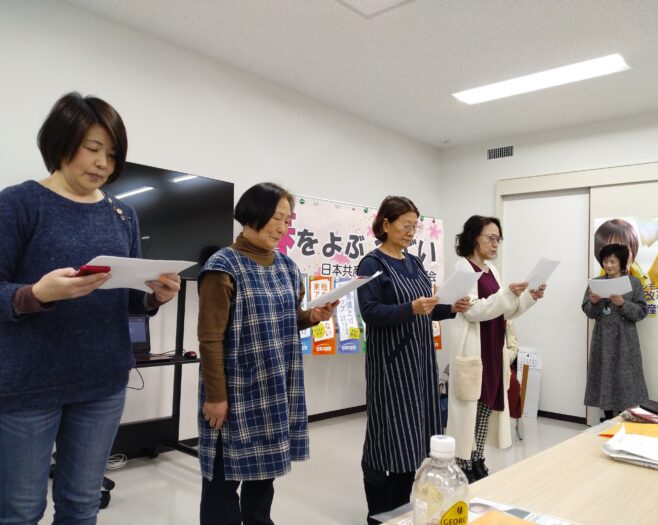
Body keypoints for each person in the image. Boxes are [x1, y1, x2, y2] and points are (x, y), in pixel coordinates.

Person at [0, 92, 181, 524]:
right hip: (29, 384)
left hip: (103, 381)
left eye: (112, 154)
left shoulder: (123, 215)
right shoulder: (17, 204)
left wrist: (154, 296)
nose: (103, 164)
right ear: (60, 143)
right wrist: (37, 294)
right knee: (20, 510)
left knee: (82, 505)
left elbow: (129, 298)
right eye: (93, 148)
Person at [197, 182, 337, 525]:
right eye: (277, 217)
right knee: (222, 482)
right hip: (236, 390)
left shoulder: (288, 267)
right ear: (252, 214)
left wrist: (312, 317)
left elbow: (288, 319)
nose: (282, 227)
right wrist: (216, 396)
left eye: (288, 220)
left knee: (263, 479)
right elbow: (210, 338)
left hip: (276, 386)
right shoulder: (222, 266)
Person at [356, 196, 471, 525]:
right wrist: (410, 308)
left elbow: (428, 308)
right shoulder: (371, 264)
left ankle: (402, 509)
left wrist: (450, 307)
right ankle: (380, 512)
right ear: (386, 224)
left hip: (420, 364)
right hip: (391, 366)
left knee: (415, 437)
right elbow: (370, 312)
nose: (410, 232)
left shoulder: (415, 262)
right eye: (405, 225)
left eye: (414, 227)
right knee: (387, 436)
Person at [444, 215, 545, 483]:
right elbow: (474, 311)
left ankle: (477, 459)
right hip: (473, 350)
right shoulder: (462, 268)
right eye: (491, 238)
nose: (495, 244)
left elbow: (504, 310)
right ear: (473, 237)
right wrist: (507, 294)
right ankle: (463, 464)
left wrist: (527, 297)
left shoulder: (492, 271)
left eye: (498, 239)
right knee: (470, 408)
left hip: (492, 348)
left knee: (486, 407)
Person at [583, 243, 648, 421]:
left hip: (626, 339)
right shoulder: (595, 283)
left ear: (622, 262)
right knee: (604, 376)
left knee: (626, 378)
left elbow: (642, 311)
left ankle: (625, 418)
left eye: (613, 261)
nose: (608, 265)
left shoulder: (633, 283)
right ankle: (608, 419)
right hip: (602, 338)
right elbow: (589, 312)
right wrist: (594, 303)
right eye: (605, 261)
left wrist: (623, 304)